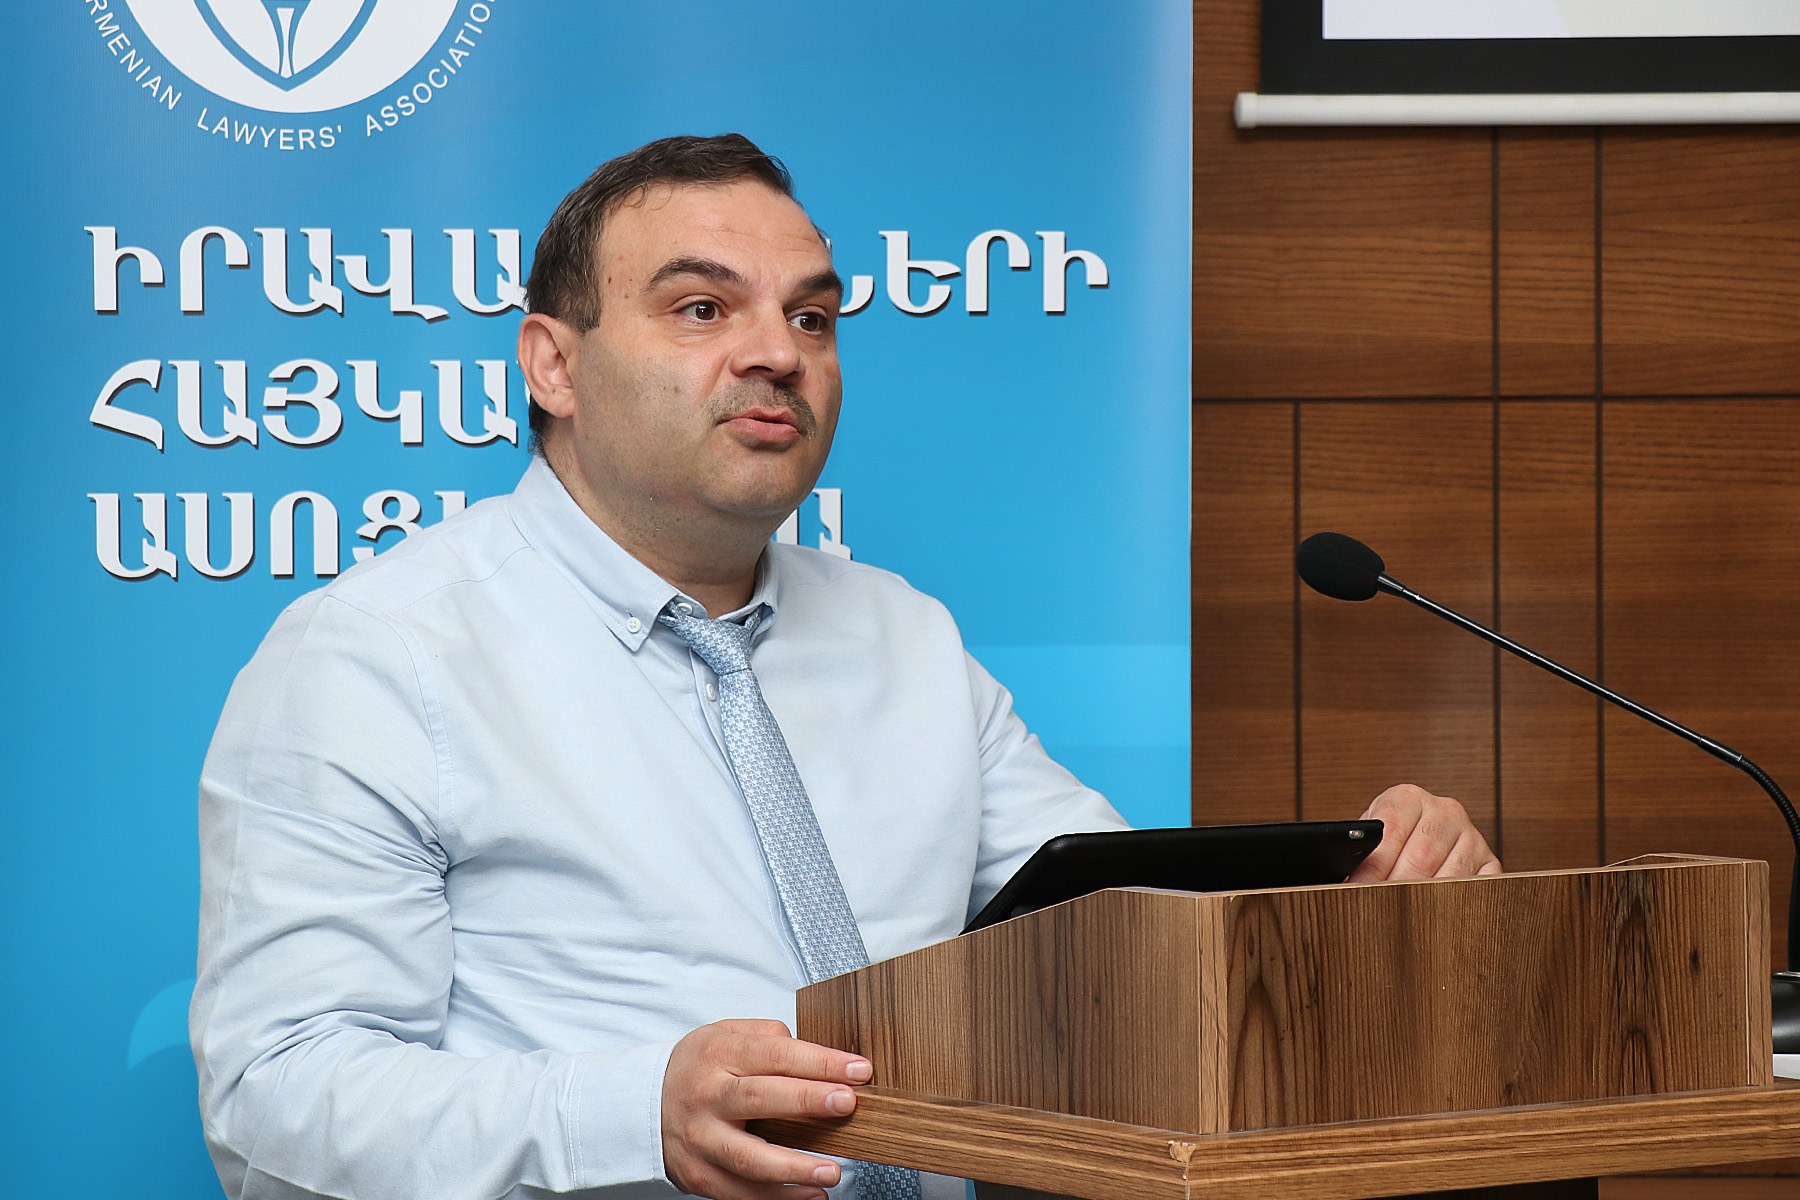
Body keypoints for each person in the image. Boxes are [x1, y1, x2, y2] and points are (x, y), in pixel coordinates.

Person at [191, 133, 1500, 1200]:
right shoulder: (378, 657)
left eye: (812, 316)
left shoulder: (904, 636)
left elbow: (1118, 945)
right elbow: (273, 1098)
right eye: (702, 308)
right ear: (553, 365)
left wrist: (1355, 903)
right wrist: (639, 1113)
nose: (778, 352)